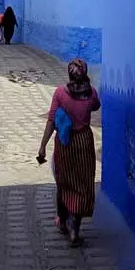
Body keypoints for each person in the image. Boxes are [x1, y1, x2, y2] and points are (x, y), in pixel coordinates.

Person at [37, 58, 100, 247]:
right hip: (84, 142)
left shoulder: (60, 93)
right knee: (82, 184)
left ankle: (62, 221)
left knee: (64, 182)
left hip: (65, 144)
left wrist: (42, 146)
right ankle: (75, 230)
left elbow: (51, 121)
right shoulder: (92, 94)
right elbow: (96, 105)